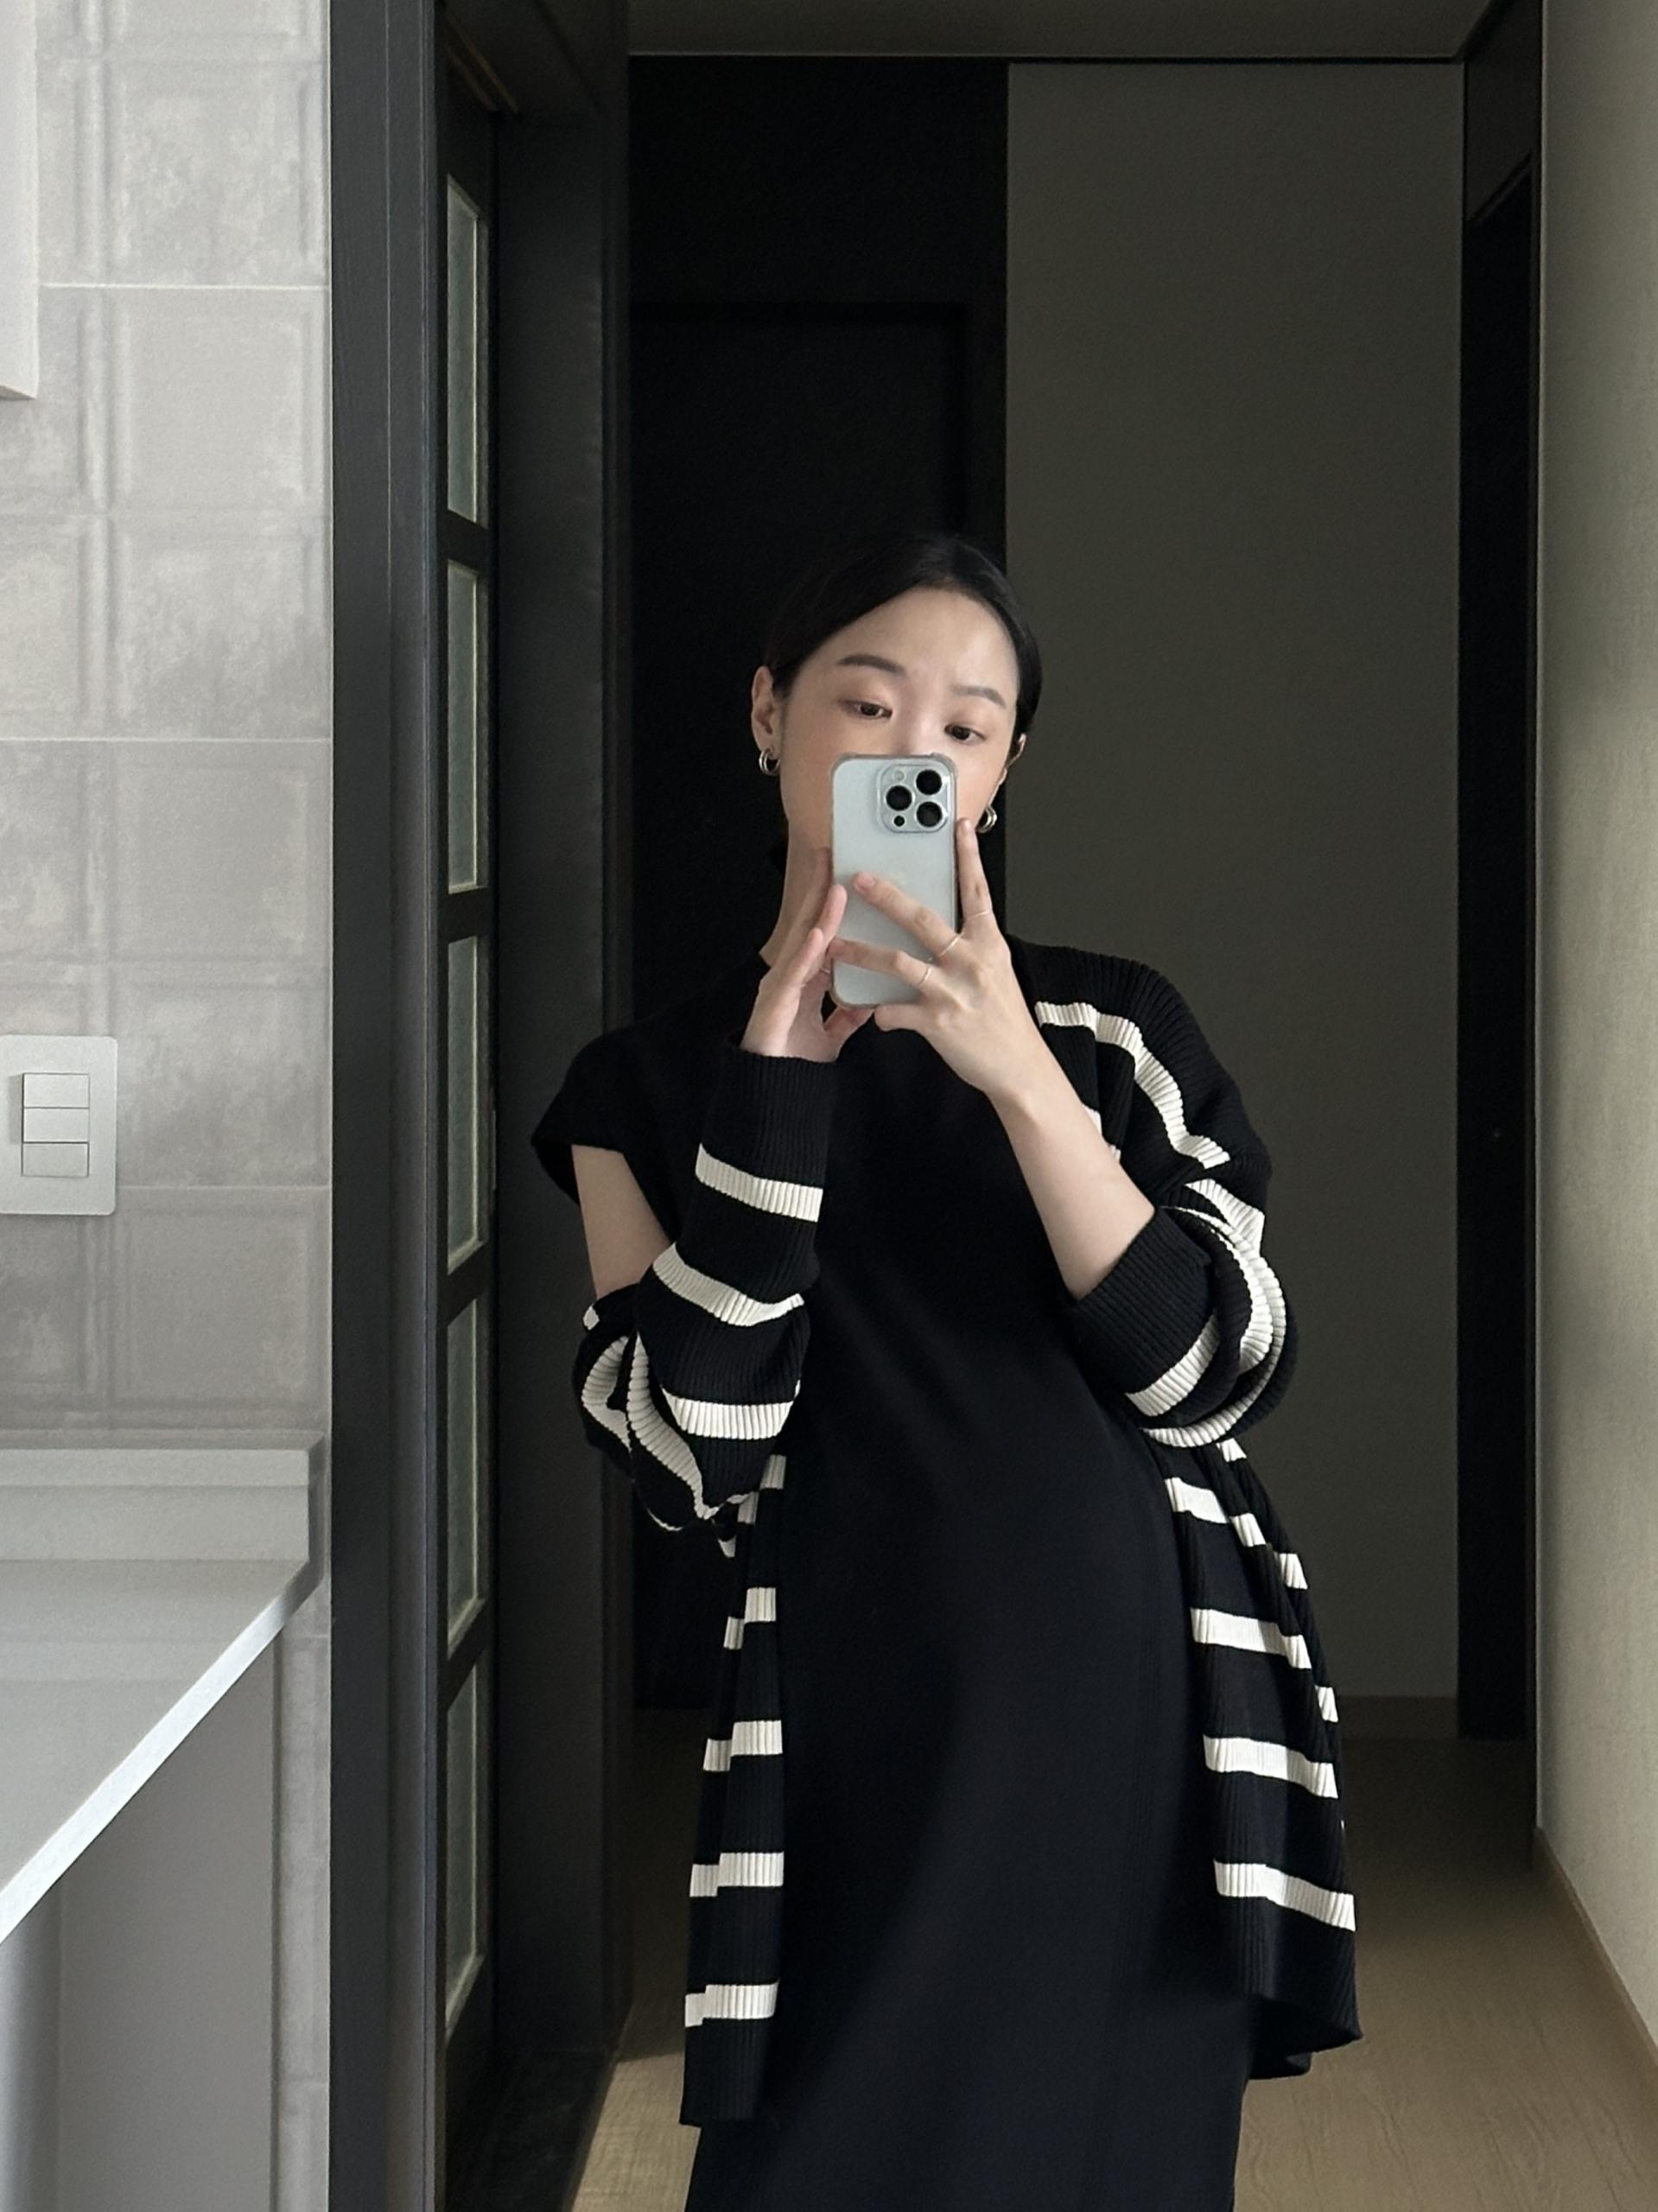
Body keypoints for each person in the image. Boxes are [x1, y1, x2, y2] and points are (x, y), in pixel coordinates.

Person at [531, 530, 1360, 2211]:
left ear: (1002, 769)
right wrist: (779, 1077)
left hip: (1131, 1695)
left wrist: (1021, 1077)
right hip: (843, 1709)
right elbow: (691, 1458)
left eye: (967, 724)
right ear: (769, 714)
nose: (915, 747)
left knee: (1108, 2163)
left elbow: (1212, 1377)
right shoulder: (645, 1086)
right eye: (867, 701)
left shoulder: (1117, 1031)